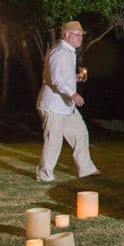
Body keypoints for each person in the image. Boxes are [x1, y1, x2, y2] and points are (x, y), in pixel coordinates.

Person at [36, 21, 99, 182]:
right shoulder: (60, 52)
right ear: (66, 35)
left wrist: (76, 77)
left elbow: (61, 77)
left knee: (80, 133)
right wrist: (73, 94)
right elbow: (56, 80)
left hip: (65, 106)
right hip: (53, 105)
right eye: (77, 35)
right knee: (54, 142)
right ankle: (44, 175)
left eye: (81, 35)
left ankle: (86, 169)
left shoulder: (69, 52)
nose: (80, 38)